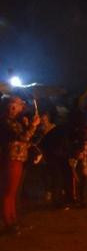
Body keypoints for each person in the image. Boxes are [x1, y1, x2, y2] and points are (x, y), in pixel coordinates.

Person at [0, 97, 39, 233]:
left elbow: (24, 140)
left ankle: (13, 220)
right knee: (8, 192)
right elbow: (23, 137)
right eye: (19, 105)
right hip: (12, 158)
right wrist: (33, 126)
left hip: (18, 158)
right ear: (11, 107)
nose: (22, 107)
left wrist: (28, 125)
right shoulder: (7, 121)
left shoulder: (13, 121)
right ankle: (8, 222)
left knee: (13, 192)